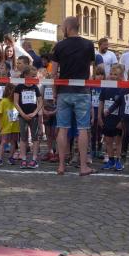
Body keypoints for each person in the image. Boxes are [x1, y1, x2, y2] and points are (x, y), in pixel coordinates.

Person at [51, 16, 96, 176]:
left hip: (64, 92)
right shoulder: (89, 45)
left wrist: (54, 91)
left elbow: (53, 73)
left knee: (62, 128)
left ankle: (61, 166)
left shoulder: (59, 46)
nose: (62, 29)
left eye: (63, 27)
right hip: (82, 92)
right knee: (83, 129)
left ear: (68, 28)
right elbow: (90, 72)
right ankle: (83, 166)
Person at [14, 66, 43, 169]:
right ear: (26, 75)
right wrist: (22, 114)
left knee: (35, 138)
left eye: (35, 76)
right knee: (23, 138)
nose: (35, 78)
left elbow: (40, 102)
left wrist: (34, 113)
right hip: (22, 116)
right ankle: (23, 159)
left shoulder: (35, 87)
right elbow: (15, 102)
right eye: (33, 76)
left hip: (33, 117)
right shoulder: (19, 87)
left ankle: (34, 159)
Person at [99, 64, 125, 171]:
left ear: (121, 76)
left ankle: (118, 161)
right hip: (107, 119)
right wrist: (99, 117)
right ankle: (111, 160)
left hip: (118, 120)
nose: (113, 76)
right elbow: (101, 103)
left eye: (116, 74)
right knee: (108, 141)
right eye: (111, 74)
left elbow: (124, 106)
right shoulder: (105, 88)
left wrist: (122, 120)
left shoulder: (123, 89)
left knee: (118, 142)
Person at [0, 83, 19, 167]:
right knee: (4, 141)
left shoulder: (17, 101)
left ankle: (11, 157)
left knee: (13, 141)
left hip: (15, 125)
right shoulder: (4, 101)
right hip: (5, 126)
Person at [40, 70, 58, 163]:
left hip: (57, 112)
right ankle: (50, 151)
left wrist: (55, 111)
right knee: (48, 132)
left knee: (56, 133)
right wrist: (43, 110)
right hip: (46, 111)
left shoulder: (59, 84)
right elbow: (40, 98)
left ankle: (57, 152)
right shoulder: (45, 84)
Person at [89, 65, 105, 161]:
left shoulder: (105, 86)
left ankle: (99, 149)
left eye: (102, 74)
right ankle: (93, 149)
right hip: (93, 111)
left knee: (100, 132)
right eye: (98, 74)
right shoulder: (91, 85)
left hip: (101, 113)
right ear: (94, 75)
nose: (100, 76)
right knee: (93, 132)